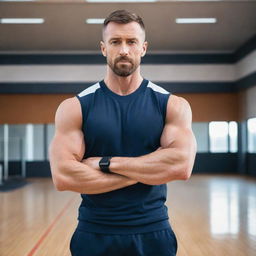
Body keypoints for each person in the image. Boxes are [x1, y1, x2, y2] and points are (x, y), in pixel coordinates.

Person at [49, 9, 197, 256]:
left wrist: (106, 163)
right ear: (103, 48)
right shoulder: (75, 107)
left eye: (132, 42)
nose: (124, 50)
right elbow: (64, 177)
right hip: (94, 233)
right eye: (115, 42)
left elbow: (181, 167)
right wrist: (149, 169)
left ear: (144, 48)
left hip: (153, 232)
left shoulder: (171, 105)